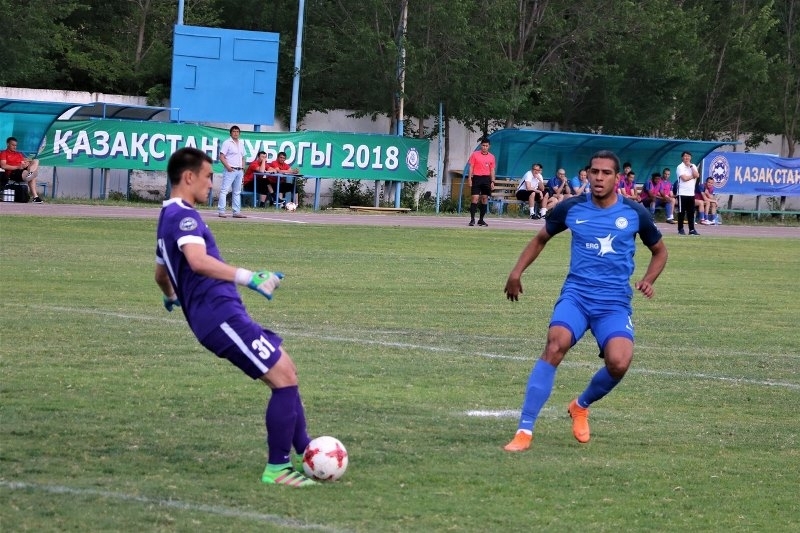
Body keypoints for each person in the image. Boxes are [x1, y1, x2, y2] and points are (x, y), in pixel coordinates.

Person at [154, 147, 316, 487]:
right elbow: (197, 261)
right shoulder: (184, 217)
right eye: (208, 176)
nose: (211, 184)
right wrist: (250, 277)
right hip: (220, 317)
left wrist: (171, 296)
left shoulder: (167, 215)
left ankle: (307, 451)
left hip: (221, 314)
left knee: (286, 368)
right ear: (188, 177)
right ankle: (278, 468)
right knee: (283, 378)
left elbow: (160, 273)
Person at [502, 149, 668, 452]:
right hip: (577, 297)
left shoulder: (635, 213)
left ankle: (580, 405)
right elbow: (540, 239)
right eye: (595, 172)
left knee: (619, 363)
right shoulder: (571, 207)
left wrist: (649, 279)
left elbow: (660, 251)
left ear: (617, 178)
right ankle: (524, 431)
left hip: (614, 304)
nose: (599, 178)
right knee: (555, 345)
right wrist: (516, 272)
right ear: (588, 174)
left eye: (606, 173)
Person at [0, 137, 44, 203]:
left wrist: (26, 163)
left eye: (16, 145)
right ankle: (35, 197)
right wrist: (18, 167)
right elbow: (3, 166)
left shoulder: (18, 154)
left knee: (36, 161)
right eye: (13, 145)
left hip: (22, 170)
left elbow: (24, 162)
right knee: (32, 176)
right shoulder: (4, 153)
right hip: (13, 172)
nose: (15, 147)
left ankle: (30, 173)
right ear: (8, 144)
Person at [466, 137, 496, 227]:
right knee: (475, 198)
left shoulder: (492, 157)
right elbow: (471, 167)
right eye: (483, 145)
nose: (484, 147)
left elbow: (492, 170)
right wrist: (469, 178)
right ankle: (472, 219)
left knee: (484, 198)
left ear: (489, 146)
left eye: (486, 146)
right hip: (476, 178)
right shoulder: (475, 154)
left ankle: (481, 220)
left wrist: (492, 181)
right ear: (480, 145)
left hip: (486, 179)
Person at [218, 125, 246, 218]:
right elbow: (221, 156)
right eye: (234, 131)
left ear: (239, 133)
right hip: (230, 170)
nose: (236, 133)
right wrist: (228, 167)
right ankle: (221, 211)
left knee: (237, 192)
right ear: (230, 133)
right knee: (224, 190)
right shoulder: (227, 143)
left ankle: (236, 212)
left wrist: (242, 168)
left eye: (237, 132)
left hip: (239, 170)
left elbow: (243, 157)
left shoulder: (241, 143)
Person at [676, 151, 700, 235]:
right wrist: (693, 176)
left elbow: (697, 175)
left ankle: (692, 230)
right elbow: (684, 178)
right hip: (682, 193)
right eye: (685, 156)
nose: (687, 158)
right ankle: (680, 229)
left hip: (691, 193)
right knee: (681, 212)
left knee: (691, 212)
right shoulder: (680, 167)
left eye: (688, 156)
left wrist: (691, 167)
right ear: (682, 158)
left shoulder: (693, 166)